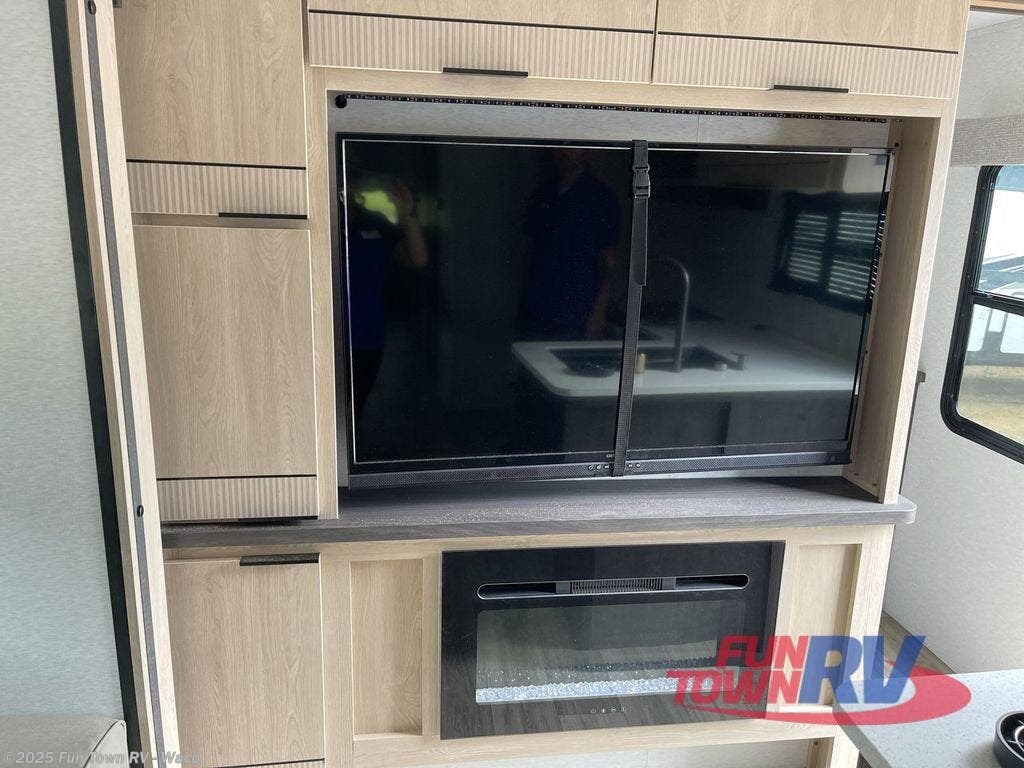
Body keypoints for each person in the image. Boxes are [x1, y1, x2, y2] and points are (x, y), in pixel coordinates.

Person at [345, 179, 428, 418]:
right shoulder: (323, 219)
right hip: (321, 337)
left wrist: (407, 213)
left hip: (366, 336)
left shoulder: (375, 223)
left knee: (355, 410)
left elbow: (417, 259)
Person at [520, 148, 621, 340]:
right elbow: (529, 249)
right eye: (560, 144)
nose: (565, 151)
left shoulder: (601, 198)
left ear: (586, 151)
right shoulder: (543, 193)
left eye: (573, 145)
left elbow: (608, 261)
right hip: (536, 305)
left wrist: (599, 310)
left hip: (576, 311)